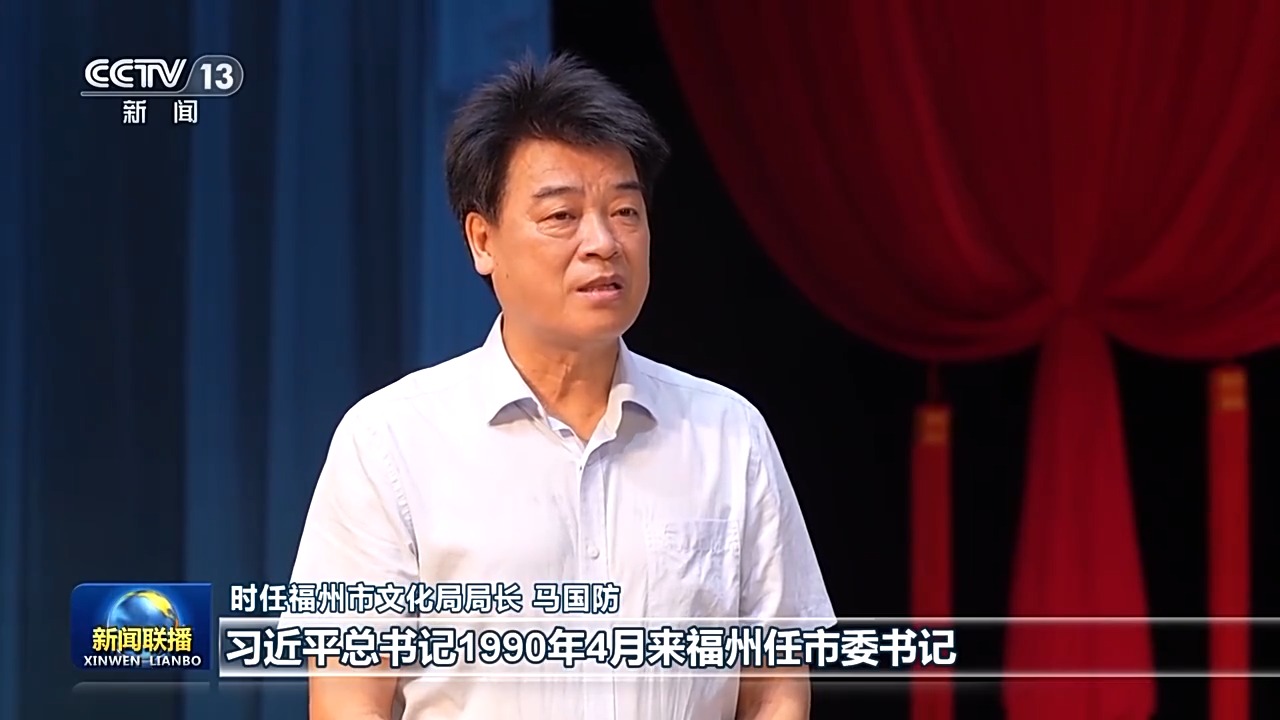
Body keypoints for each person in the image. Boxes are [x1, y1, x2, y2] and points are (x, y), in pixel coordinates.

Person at [289, 52, 835, 720]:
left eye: (625, 210)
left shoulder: (728, 434)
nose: (603, 242)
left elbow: (776, 685)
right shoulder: (390, 443)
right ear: (483, 240)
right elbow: (349, 699)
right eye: (561, 216)